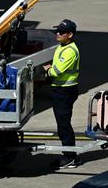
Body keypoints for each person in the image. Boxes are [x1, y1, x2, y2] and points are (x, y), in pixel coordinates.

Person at [43, 19, 82, 169]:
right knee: (62, 124)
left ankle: (71, 158)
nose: (57, 34)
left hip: (65, 91)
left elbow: (56, 72)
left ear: (70, 34)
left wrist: (47, 69)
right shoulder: (63, 46)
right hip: (61, 90)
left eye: (61, 32)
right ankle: (70, 155)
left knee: (64, 126)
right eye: (57, 31)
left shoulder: (70, 51)